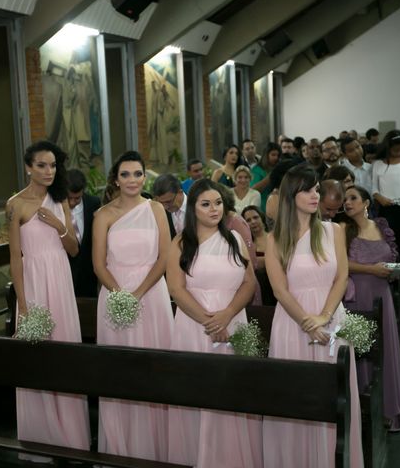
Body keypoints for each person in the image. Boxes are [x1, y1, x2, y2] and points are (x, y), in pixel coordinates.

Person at [262, 164, 363, 468]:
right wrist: (308, 322)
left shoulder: (334, 230)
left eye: (316, 189)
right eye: (307, 190)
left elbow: (342, 277)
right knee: (296, 399)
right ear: (292, 195)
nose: (314, 195)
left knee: (335, 398)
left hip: (331, 319)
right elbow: (280, 291)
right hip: (292, 325)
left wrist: (324, 317)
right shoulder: (275, 239)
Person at [166, 178, 262, 467]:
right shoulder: (181, 242)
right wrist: (210, 322)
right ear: (193, 208)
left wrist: (227, 314)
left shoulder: (234, 240)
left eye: (218, 202)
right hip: (195, 326)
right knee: (198, 393)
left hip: (232, 323)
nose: (213, 209)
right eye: (206, 204)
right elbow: (176, 288)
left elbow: (249, 283)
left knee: (233, 393)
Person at [6, 141, 90, 457]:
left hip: (60, 280)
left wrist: (59, 226)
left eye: (53, 165)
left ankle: (71, 436)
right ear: (29, 167)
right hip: (34, 284)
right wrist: (23, 305)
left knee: (65, 352)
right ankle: (41, 436)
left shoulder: (60, 200)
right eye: (42, 165)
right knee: (37, 358)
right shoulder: (15, 204)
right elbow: (15, 256)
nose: (49, 171)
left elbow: (73, 249)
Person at [92, 151, 173, 462]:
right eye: (125, 174)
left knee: (156, 367)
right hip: (115, 296)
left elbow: (164, 257)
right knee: (121, 370)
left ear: (144, 177)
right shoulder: (103, 215)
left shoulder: (155, 209)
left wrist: (138, 292)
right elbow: (98, 264)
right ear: (116, 179)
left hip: (152, 294)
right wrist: (121, 295)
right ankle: (122, 446)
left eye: (138, 174)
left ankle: (160, 446)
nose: (132, 180)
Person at [341, 186, 400, 433]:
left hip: (382, 294)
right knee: (360, 351)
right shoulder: (343, 230)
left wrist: (391, 269)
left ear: (366, 202)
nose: (347, 203)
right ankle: (362, 412)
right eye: (345, 199)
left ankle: (389, 410)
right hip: (356, 296)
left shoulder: (381, 226)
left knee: (386, 349)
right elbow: (340, 263)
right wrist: (371, 270)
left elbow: (391, 254)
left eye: (353, 198)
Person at [67, 168, 101, 297]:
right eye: (68, 197)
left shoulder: (93, 203)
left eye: (77, 198)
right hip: (65, 272)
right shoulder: (56, 205)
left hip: (89, 273)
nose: (72, 202)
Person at [243, 205, 276, 305]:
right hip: (257, 287)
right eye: (248, 220)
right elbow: (247, 264)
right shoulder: (245, 244)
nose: (253, 222)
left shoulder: (275, 238)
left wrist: (258, 261)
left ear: (262, 218)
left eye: (255, 217)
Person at [153, 173, 187, 238]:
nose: (165, 207)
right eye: (161, 203)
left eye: (168, 202)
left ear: (180, 192)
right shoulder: (160, 213)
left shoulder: (197, 207)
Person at [251, 142, 281, 213]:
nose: (276, 158)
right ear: (266, 155)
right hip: (262, 207)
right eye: (273, 155)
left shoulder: (280, 168)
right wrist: (270, 176)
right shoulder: (256, 170)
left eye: (278, 155)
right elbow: (253, 190)